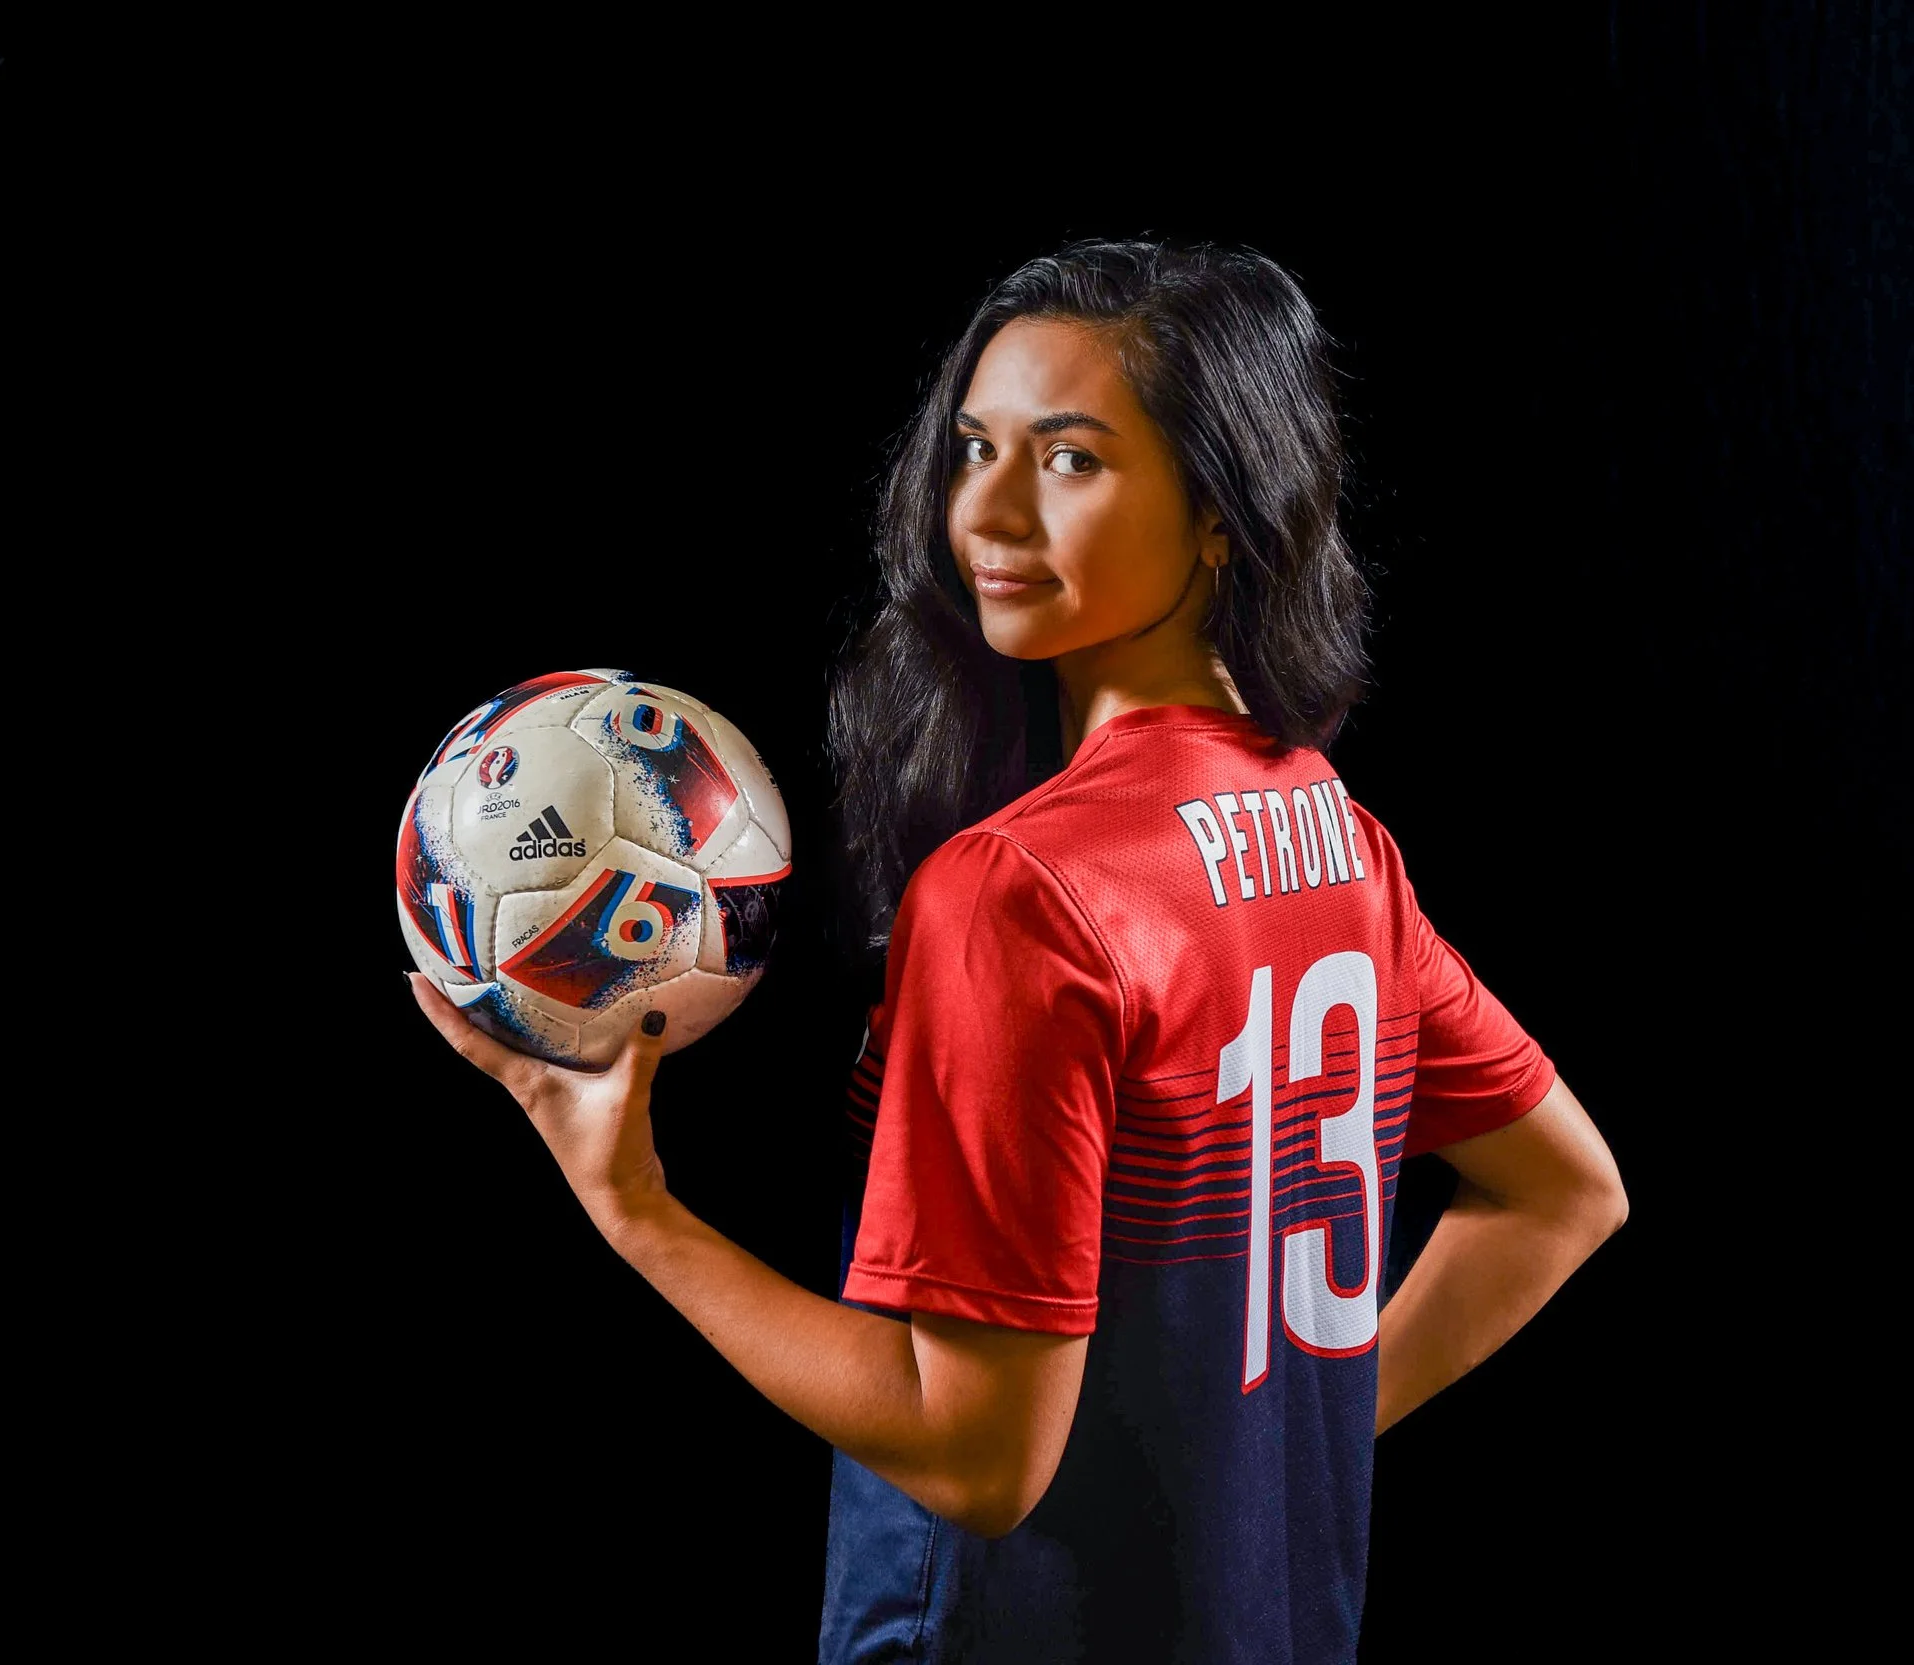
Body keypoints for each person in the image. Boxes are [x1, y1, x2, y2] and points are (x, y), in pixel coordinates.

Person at [405, 237, 1629, 1663]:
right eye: (975, 447)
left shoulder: (1021, 893)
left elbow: (975, 1462)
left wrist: (637, 1212)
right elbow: (1566, 1196)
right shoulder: (1333, 836)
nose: (980, 510)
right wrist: (1268, 1455)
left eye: (1070, 461)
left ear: (1228, 512)